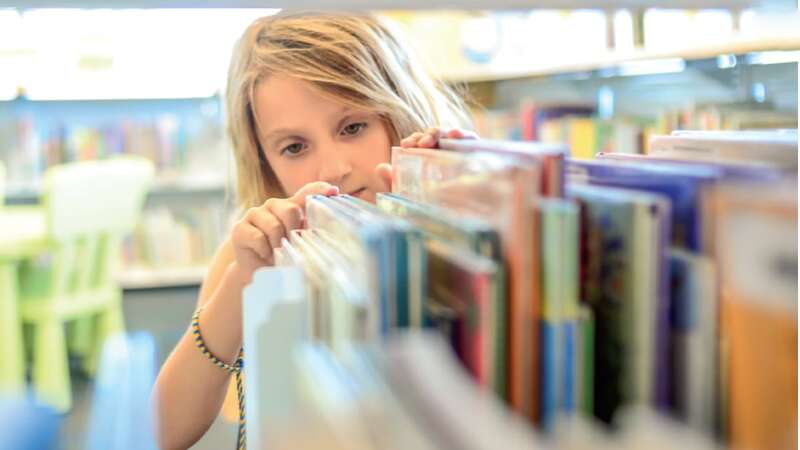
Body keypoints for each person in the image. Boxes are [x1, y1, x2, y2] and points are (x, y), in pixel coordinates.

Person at [153, 11, 476, 450]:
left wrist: (474, 199)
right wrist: (241, 285)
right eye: (294, 147)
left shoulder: (444, 220)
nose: (333, 169)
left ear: (400, 111)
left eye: (353, 127)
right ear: (264, 161)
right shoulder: (250, 255)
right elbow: (164, 433)